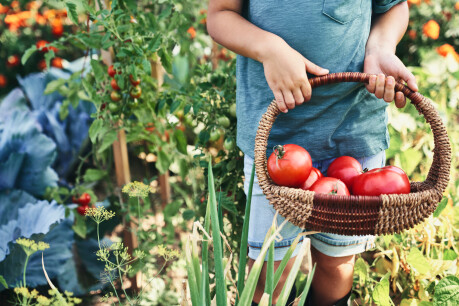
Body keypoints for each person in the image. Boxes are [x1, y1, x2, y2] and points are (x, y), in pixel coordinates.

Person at [207, 1, 417, 305]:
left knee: (337, 262)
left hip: (353, 132)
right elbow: (219, 16)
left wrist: (380, 48)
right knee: (270, 273)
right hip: (277, 142)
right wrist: (269, 48)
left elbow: (393, 6)